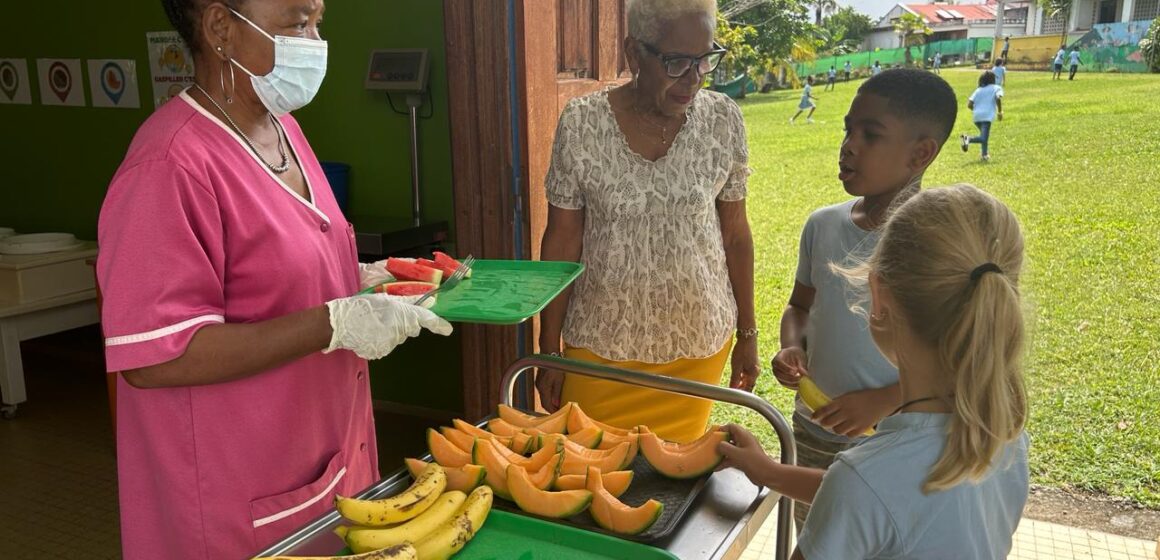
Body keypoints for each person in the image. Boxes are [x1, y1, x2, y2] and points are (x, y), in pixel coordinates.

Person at [98, 1, 453, 558]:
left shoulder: (282, 130)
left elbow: (278, 272)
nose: (314, 43)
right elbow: (154, 358)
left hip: (324, 465)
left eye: (318, 23)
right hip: (235, 497)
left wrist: (360, 279)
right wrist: (333, 323)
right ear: (221, 27)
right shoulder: (169, 165)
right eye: (295, 23)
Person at [719, 184, 1030, 559]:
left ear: (878, 297)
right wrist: (769, 472)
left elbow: (870, 494)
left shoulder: (865, 478)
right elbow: (887, 499)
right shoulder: (1005, 436)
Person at [536, 0, 758, 443]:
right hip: (600, 345)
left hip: (696, 344)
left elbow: (735, 235)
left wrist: (748, 332)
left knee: (672, 472)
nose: (693, 78)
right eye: (676, 62)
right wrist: (549, 350)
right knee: (592, 469)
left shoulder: (722, 120)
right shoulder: (582, 124)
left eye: (705, 59)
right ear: (634, 54)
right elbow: (562, 240)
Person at [770, 68, 958, 529]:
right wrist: (792, 346)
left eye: (870, 135)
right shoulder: (822, 225)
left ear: (921, 153)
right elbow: (800, 306)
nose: (849, 145)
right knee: (814, 536)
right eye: (848, 130)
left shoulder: (940, 245)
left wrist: (884, 400)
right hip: (813, 428)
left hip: (896, 438)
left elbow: (963, 359)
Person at [960, 70, 1004, 162]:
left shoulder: (978, 90)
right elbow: (998, 98)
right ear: (993, 79)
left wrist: (977, 110)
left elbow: (969, 105)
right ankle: (967, 139)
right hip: (986, 117)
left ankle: (984, 155)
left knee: (984, 136)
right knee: (983, 138)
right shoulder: (996, 88)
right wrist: (1000, 112)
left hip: (977, 117)